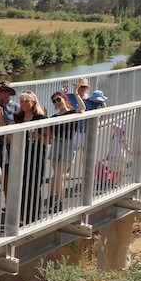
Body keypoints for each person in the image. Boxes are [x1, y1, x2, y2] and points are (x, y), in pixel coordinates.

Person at [48, 80, 87, 210]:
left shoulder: (71, 113)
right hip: (56, 144)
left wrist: (76, 93)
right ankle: (52, 198)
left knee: (60, 174)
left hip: (68, 144)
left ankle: (59, 202)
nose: (57, 103)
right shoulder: (53, 117)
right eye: (54, 101)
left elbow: (82, 109)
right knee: (56, 175)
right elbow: (50, 134)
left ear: (64, 99)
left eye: (59, 99)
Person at [13, 90, 49, 225]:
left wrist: (38, 137)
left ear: (33, 102)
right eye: (21, 101)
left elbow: (49, 140)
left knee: (34, 186)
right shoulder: (17, 117)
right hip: (20, 155)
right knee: (21, 186)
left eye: (26, 101)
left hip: (37, 156)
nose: (23, 104)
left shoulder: (41, 118)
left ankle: (34, 217)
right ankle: (22, 216)